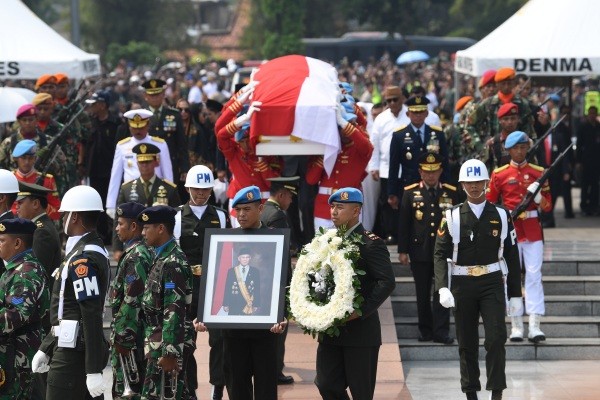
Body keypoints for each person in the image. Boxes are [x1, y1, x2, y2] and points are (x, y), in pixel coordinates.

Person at [434, 159, 522, 400]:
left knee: (496, 339)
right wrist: (442, 287)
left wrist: (515, 294)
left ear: (487, 183)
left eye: (479, 182)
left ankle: (496, 392)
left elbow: (512, 255)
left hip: (492, 281)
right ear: (462, 185)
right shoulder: (451, 216)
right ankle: (470, 393)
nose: (474, 187)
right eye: (469, 183)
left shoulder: (502, 215)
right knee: (467, 342)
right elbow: (440, 253)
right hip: (463, 283)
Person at [314, 187, 396, 400]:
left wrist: (361, 311)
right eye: (332, 206)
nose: (333, 212)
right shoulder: (327, 242)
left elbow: (386, 281)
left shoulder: (371, 243)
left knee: (361, 392)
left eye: (340, 207)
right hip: (331, 330)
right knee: (326, 384)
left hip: (360, 331)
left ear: (356, 211)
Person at [32, 185, 111, 399]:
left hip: (73, 354)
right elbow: (66, 313)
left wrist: (93, 369)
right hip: (70, 347)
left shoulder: (83, 259)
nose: (62, 218)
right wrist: (46, 347)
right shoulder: (81, 251)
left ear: (75, 216)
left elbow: (91, 315)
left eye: (65, 214)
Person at [218, 186, 287, 400]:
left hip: (265, 328)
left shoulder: (275, 240)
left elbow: (286, 282)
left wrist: (281, 315)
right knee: (237, 385)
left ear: (261, 208)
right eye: (238, 210)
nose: (241, 215)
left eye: (247, 209)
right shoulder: (227, 241)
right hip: (234, 327)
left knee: (266, 386)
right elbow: (219, 281)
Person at [487, 131, 552, 342]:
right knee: (510, 277)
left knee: (534, 275)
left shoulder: (538, 172)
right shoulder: (500, 174)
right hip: (510, 230)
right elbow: (490, 204)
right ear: (508, 149)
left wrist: (539, 195)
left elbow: (548, 206)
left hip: (532, 229)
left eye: (524, 147)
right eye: (516, 148)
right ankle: (516, 325)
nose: (520, 151)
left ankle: (534, 325)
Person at [175, 164, 231, 400]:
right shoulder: (176, 216)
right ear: (188, 188)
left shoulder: (221, 215)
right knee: (187, 340)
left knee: (219, 340)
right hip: (188, 285)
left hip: (215, 284)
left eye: (205, 190)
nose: (201, 194)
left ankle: (218, 386)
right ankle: (190, 389)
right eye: (197, 189)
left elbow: (229, 250)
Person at [398, 153, 458, 344]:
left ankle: (441, 331)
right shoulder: (410, 192)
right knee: (422, 293)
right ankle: (425, 330)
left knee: (442, 292)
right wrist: (402, 250)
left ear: (440, 171)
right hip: (420, 251)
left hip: (444, 252)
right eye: (426, 172)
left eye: (434, 172)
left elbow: (457, 224)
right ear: (420, 172)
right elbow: (404, 224)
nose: (430, 176)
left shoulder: (451, 192)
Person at [369, 86, 440, 244]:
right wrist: (374, 166)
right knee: (389, 201)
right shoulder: (381, 118)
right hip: (387, 167)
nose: (393, 103)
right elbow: (374, 144)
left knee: (411, 201)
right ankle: (391, 233)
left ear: (402, 99)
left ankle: (414, 231)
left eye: (395, 99)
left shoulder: (409, 114)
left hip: (410, 167)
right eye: (389, 101)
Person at [138, 205, 194, 399]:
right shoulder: (161, 256)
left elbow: (174, 307)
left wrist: (169, 353)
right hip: (159, 340)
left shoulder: (172, 262)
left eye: (147, 228)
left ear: (161, 229)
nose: (143, 233)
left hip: (166, 344)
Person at [0, 218, 50, 399]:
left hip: (20, 355)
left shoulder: (26, 271)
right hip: (12, 351)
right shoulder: (15, 269)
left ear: (17, 243)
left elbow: (16, 314)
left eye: (2, 240)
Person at [108, 201, 153, 399]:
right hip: (132, 333)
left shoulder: (136, 256)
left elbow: (132, 299)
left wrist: (122, 336)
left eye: (120, 224)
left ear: (134, 226)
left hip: (132, 335)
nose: (117, 228)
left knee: (128, 391)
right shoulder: (136, 252)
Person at [306, 103, 373, 231]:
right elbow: (311, 179)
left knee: (348, 249)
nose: (344, 129)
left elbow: (367, 147)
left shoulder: (359, 149)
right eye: (340, 125)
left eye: (349, 124)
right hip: (324, 207)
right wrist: (324, 156)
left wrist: (344, 123)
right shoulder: (327, 148)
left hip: (348, 207)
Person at [112, 142, 180, 265]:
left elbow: (176, 218)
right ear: (137, 163)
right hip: (135, 245)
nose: (144, 166)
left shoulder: (169, 188)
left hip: (161, 244)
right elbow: (119, 218)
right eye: (141, 162)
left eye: (148, 162)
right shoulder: (127, 188)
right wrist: (117, 248)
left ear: (155, 162)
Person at [106, 108, 173, 219]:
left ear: (148, 125)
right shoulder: (122, 146)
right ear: (129, 127)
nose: (138, 131)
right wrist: (111, 204)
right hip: (131, 194)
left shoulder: (160, 144)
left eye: (141, 127)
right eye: (134, 128)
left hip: (156, 193)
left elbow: (167, 174)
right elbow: (115, 176)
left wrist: (169, 195)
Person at [388, 95, 449, 211]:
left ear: (427, 113)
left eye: (421, 112)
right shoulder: (399, 135)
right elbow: (394, 166)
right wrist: (392, 192)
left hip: (434, 184)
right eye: (414, 112)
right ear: (408, 114)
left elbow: (444, 162)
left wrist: (446, 185)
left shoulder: (437, 134)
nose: (418, 115)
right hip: (409, 185)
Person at [84, 90, 121, 244]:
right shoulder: (90, 122)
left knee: (112, 202)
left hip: (112, 170)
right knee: (97, 203)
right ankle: (100, 234)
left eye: (95, 104)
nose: (92, 107)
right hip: (94, 169)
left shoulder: (116, 123)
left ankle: (114, 235)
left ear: (103, 105)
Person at [143, 79, 190, 192]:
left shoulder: (173, 115)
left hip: (171, 163)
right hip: (147, 163)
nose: (154, 97)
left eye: (157, 94)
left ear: (163, 95)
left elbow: (181, 144)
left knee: (170, 195)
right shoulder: (142, 116)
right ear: (146, 96)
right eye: (151, 95)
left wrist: (184, 168)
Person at [468, 67, 535, 143]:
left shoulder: (522, 103)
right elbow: (470, 125)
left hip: (516, 149)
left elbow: (529, 128)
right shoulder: (488, 104)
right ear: (497, 84)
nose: (506, 86)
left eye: (509, 83)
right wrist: (479, 145)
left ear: (513, 84)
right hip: (493, 150)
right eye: (503, 84)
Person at [14, 181, 61, 279]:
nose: (16, 207)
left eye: (20, 202)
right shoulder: (39, 227)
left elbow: (35, 272)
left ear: (35, 204)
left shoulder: (41, 232)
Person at [11, 139, 61, 221]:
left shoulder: (47, 180)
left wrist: (40, 205)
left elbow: (57, 212)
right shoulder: (9, 179)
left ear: (35, 159)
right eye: (23, 158)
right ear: (16, 158)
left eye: (30, 158)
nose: (27, 162)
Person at [576, 105, 600, 215]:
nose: (592, 116)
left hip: (597, 161)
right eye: (590, 113)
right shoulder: (583, 127)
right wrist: (578, 161)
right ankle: (584, 206)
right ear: (588, 115)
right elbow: (579, 145)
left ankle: (594, 205)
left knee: (595, 185)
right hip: (586, 160)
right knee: (585, 185)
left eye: (594, 113)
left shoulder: (598, 127)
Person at [486, 103, 520, 170]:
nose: (510, 122)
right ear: (500, 121)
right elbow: (487, 167)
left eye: (513, 118)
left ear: (517, 119)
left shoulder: (526, 141)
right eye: (506, 119)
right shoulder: (492, 143)